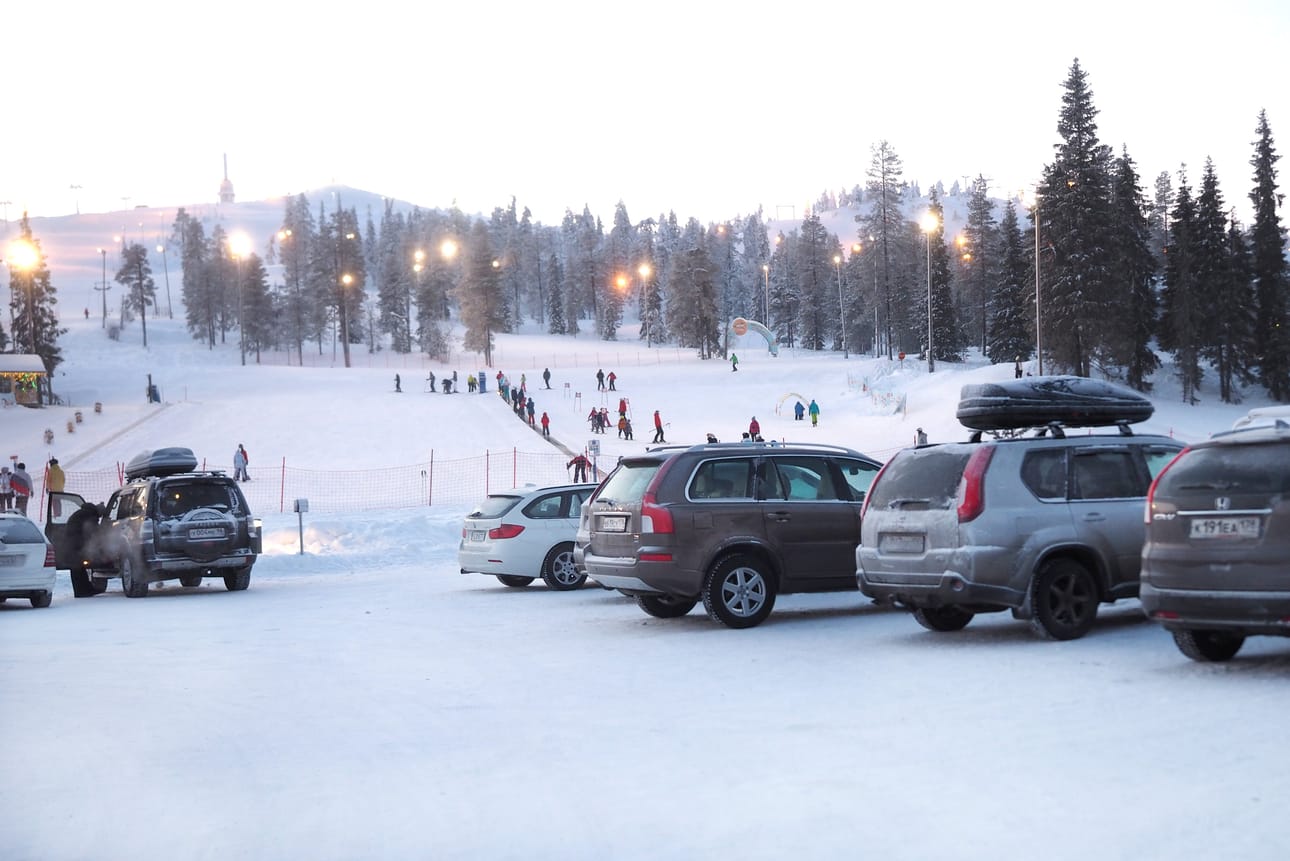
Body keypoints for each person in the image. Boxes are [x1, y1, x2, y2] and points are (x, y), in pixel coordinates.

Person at [66, 501, 105, 598]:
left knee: (78, 568)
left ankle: (84, 590)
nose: (99, 518)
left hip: (70, 542)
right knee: (78, 568)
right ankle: (82, 591)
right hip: (76, 543)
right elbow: (93, 531)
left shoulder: (83, 512)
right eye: (100, 517)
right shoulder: (90, 515)